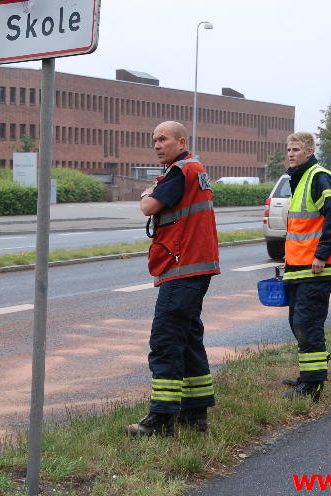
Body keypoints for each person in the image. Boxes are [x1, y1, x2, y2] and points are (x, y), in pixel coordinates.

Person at [125, 121, 221, 437]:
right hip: (196, 268)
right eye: (154, 139)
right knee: (189, 338)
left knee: (166, 341)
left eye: (163, 139)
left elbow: (148, 206)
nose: (157, 144)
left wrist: (148, 191)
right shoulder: (195, 169)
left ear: (181, 141)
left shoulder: (179, 171)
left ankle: (161, 419)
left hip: (182, 268)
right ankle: (196, 413)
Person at [281, 132, 331, 402]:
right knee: (298, 323)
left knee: (308, 325)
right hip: (298, 268)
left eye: (296, 149)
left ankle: (312, 385)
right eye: (288, 149)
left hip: (315, 268)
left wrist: (321, 253)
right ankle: (307, 377)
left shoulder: (319, 176)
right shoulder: (300, 178)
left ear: (309, 151)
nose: (291, 154)